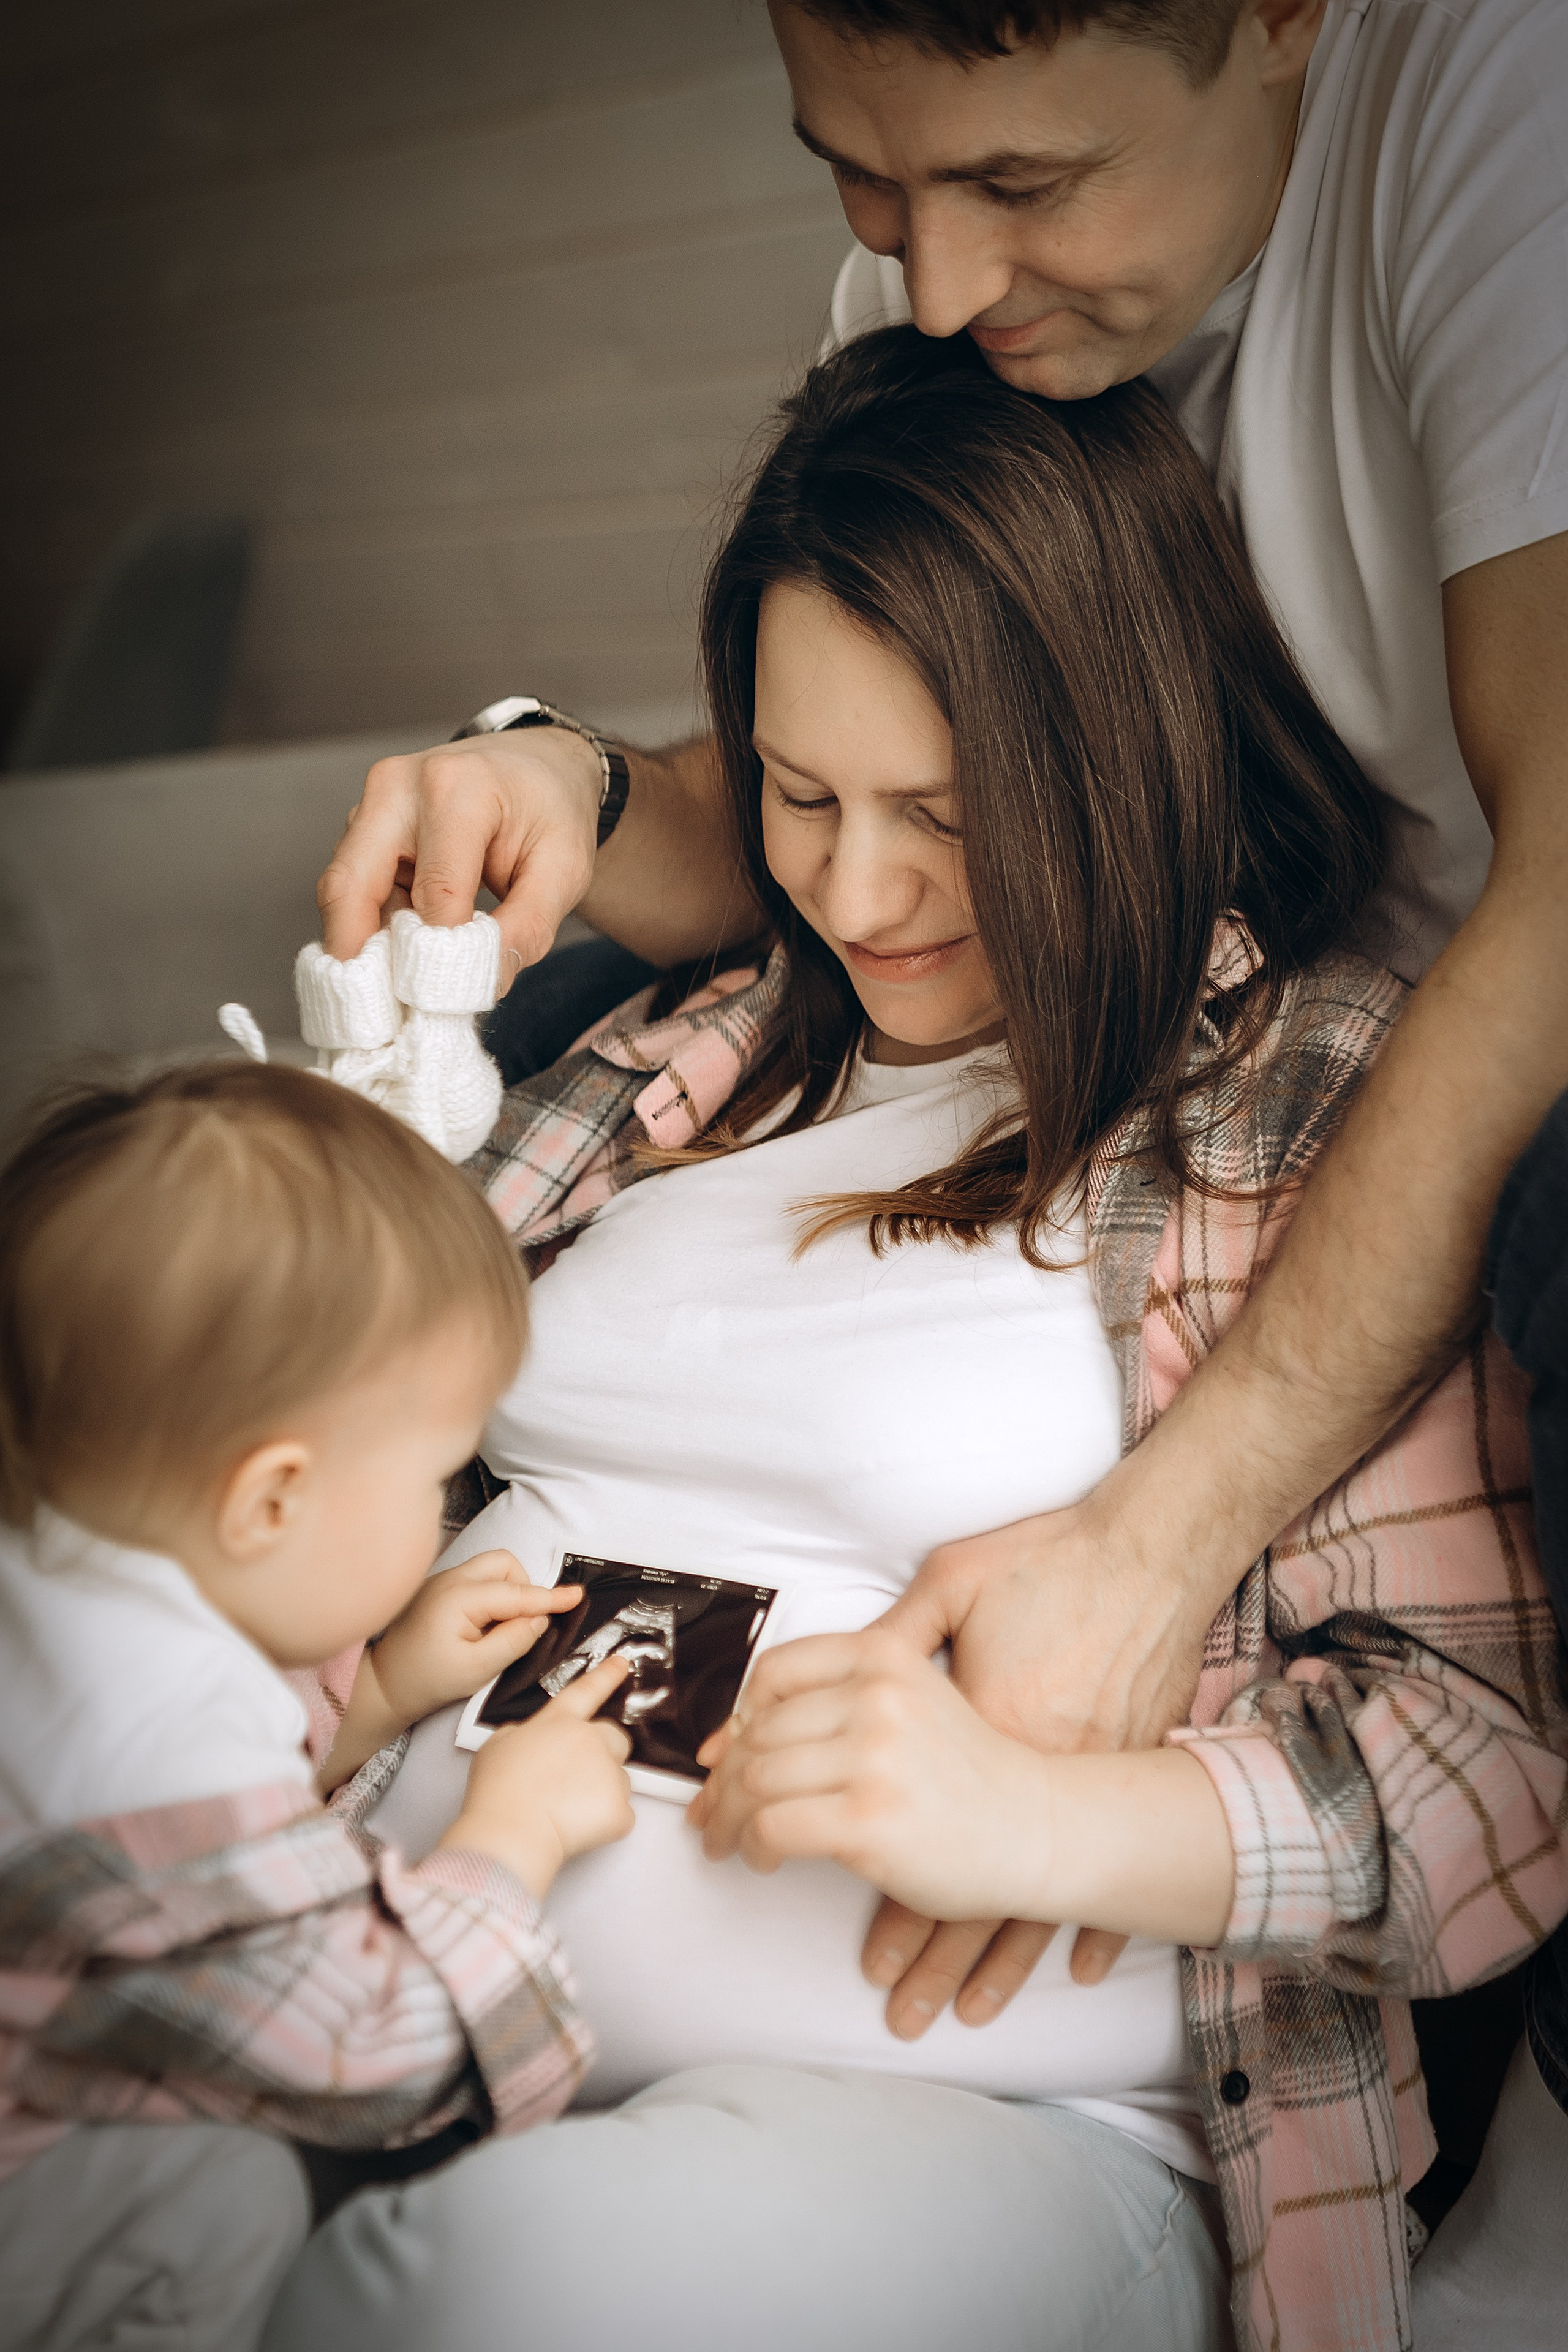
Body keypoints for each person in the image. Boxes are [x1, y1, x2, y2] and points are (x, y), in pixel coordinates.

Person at [268, 330, 1567, 2352]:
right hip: (363, 1964)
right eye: (798, 794)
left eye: (944, 816)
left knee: (495, 2303)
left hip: (987, 2122)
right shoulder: (677, 1053)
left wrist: (1036, 1824)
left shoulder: (1305, 1118)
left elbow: (1495, 1774)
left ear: (1119, 759)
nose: (856, 892)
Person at [0, 1063, 636, 2352]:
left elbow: (163, 1893)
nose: (443, 1508)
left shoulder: (66, 1591)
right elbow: (372, 2052)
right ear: (271, 1502)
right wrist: (513, 1833)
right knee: (226, 2201)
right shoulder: (157, 1758)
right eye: (436, 1474)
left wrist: (386, 1685)